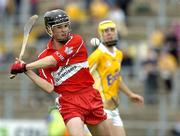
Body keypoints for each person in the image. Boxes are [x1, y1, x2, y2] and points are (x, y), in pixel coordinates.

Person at [10, 9, 112, 136]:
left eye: (66, 26)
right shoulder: (42, 57)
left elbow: (53, 61)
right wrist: (27, 72)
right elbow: (48, 87)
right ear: (49, 30)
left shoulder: (76, 41)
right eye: (59, 27)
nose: (64, 30)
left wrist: (25, 66)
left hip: (90, 95)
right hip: (69, 102)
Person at [88, 20, 144, 136]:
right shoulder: (97, 56)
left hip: (113, 107)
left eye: (112, 30)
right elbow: (82, 76)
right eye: (105, 31)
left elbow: (116, 77)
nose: (109, 33)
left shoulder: (118, 54)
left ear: (116, 32)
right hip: (100, 106)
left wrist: (130, 94)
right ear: (100, 35)